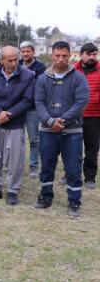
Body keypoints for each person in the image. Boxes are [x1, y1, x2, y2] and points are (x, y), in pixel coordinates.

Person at [34, 41, 89, 218]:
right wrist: (50, 121)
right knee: (47, 165)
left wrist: (62, 120)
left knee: (73, 167)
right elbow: (39, 102)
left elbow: (81, 102)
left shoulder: (78, 77)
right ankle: (45, 197)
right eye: (57, 55)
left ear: (70, 55)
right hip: (47, 131)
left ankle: (74, 201)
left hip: (71, 131)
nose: (61, 59)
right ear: (52, 55)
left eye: (64, 56)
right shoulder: (43, 78)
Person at [0, 46, 36, 205]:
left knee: (15, 160)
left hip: (15, 124)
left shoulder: (28, 76)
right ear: (1, 61)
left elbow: (27, 100)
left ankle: (12, 190)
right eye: (9, 60)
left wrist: (8, 114)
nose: (14, 63)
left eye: (15, 60)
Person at [19, 40, 47, 178]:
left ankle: (34, 167)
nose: (25, 54)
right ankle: (15, 165)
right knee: (16, 139)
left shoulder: (40, 67)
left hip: (33, 109)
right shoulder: (16, 64)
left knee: (34, 139)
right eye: (23, 51)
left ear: (33, 52)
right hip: (17, 107)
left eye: (28, 51)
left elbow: (40, 86)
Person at [74, 43, 99, 189]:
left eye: (94, 54)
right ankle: (70, 174)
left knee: (91, 149)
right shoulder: (73, 71)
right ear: (81, 54)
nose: (92, 57)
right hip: (75, 116)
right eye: (88, 54)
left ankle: (90, 177)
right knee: (72, 147)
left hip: (94, 116)